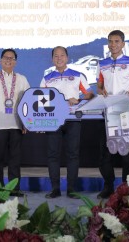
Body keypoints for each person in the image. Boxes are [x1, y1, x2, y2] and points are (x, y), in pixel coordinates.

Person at [40, 46, 94, 199]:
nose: (59, 58)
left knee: (73, 155)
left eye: (62, 55)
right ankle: (55, 189)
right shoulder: (47, 78)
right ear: (52, 59)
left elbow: (90, 94)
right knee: (53, 155)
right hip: (53, 121)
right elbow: (40, 100)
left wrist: (79, 99)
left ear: (67, 57)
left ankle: (71, 189)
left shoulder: (78, 75)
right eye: (56, 56)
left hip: (73, 119)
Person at [96, 30, 129, 199]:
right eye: (110, 41)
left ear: (123, 44)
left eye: (117, 41)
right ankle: (108, 186)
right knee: (106, 153)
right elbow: (99, 86)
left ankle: (128, 187)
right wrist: (101, 92)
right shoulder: (102, 64)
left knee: (127, 153)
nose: (113, 44)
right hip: (108, 113)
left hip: (126, 112)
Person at [0, 49, 30, 197]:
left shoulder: (22, 79)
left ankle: (14, 188)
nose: (8, 60)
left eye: (12, 58)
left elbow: (27, 102)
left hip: (16, 123)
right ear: (0, 61)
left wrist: (26, 122)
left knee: (15, 158)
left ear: (15, 62)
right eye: (5, 58)